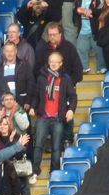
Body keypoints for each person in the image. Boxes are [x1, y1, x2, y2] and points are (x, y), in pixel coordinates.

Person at [30, 52, 77, 184]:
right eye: (51, 61)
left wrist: (71, 110)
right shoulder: (42, 78)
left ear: (61, 63)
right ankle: (35, 171)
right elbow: (36, 95)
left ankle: (54, 172)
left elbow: (73, 97)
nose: (54, 63)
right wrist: (33, 107)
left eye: (56, 61)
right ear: (48, 62)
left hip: (58, 118)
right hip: (43, 116)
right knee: (38, 144)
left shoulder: (66, 79)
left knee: (56, 147)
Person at [74, 0, 104, 74]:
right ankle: (84, 68)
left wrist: (92, 12)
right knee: (80, 48)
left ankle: (101, 68)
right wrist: (78, 10)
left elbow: (103, 11)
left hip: (95, 31)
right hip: (83, 31)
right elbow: (75, 12)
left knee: (99, 50)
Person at [0, 44, 35, 113]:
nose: (9, 54)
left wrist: (28, 101)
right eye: (7, 51)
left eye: (12, 51)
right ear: (4, 52)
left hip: (22, 103)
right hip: (4, 106)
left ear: (16, 51)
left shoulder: (24, 65)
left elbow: (30, 83)